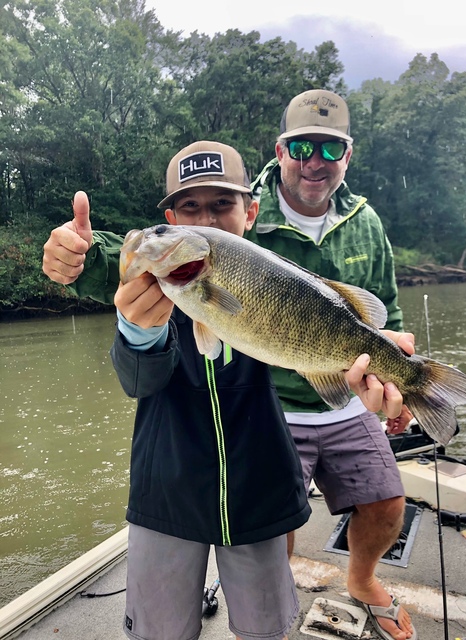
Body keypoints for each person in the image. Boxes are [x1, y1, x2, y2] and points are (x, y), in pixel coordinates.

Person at [43, 132, 415, 640]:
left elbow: (333, 339)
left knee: (265, 630)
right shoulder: (153, 294)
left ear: (252, 214)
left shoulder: (264, 278)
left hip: (259, 490)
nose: (207, 220)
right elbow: (138, 380)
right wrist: (133, 327)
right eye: (189, 208)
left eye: (223, 204)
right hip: (166, 494)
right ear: (171, 223)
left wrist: (377, 377)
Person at [244, 89, 416, 640]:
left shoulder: (367, 223)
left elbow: (385, 312)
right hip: (267, 402)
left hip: (346, 401)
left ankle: (362, 579)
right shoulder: (243, 213)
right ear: (280, 148)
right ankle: (277, 586)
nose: (313, 162)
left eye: (329, 148)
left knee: (388, 501)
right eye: (300, 147)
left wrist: (398, 392)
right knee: (277, 520)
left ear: (348, 154)